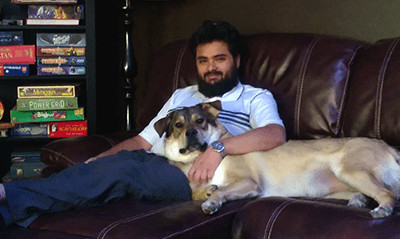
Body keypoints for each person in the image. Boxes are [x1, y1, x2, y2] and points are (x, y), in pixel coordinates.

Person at [0, 20, 286, 229]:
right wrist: (97, 160)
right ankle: (13, 210)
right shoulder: (182, 95)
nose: (211, 67)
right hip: (160, 163)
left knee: (125, 168)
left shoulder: (254, 97)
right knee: (111, 167)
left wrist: (218, 148)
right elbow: (141, 142)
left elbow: (275, 134)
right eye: (203, 61)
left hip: (204, 175)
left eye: (219, 59)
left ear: (235, 60)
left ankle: (7, 194)